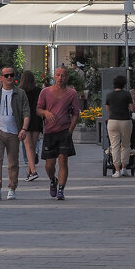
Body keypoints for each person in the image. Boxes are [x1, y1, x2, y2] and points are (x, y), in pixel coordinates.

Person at [35, 66, 81, 201]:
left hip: (64, 131)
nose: (60, 78)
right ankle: (52, 180)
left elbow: (76, 113)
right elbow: (38, 109)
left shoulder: (71, 93)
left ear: (67, 77)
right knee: (49, 164)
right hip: (50, 132)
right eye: (58, 75)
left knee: (63, 161)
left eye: (63, 75)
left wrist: (70, 130)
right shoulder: (45, 92)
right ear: (54, 77)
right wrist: (46, 113)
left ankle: (61, 189)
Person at [0, 67, 29, 200]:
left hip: (14, 132)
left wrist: (24, 129)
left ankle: (12, 188)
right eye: (6, 75)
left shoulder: (20, 93)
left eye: (12, 75)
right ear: (1, 78)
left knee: (13, 162)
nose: (9, 77)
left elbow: (27, 112)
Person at [105, 75, 135, 177]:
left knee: (114, 145)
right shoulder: (127, 94)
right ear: (124, 84)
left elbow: (108, 109)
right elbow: (131, 109)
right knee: (126, 145)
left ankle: (116, 170)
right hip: (125, 121)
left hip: (112, 121)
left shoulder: (109, 95)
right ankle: (124, 168)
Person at [19, 71, 43, 181]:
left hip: (25, 120)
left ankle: (33, 171)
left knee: (28, 146)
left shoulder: (20, 91)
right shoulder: (39, 91)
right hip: (37, 119)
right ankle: (29, 173)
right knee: (32, 147)